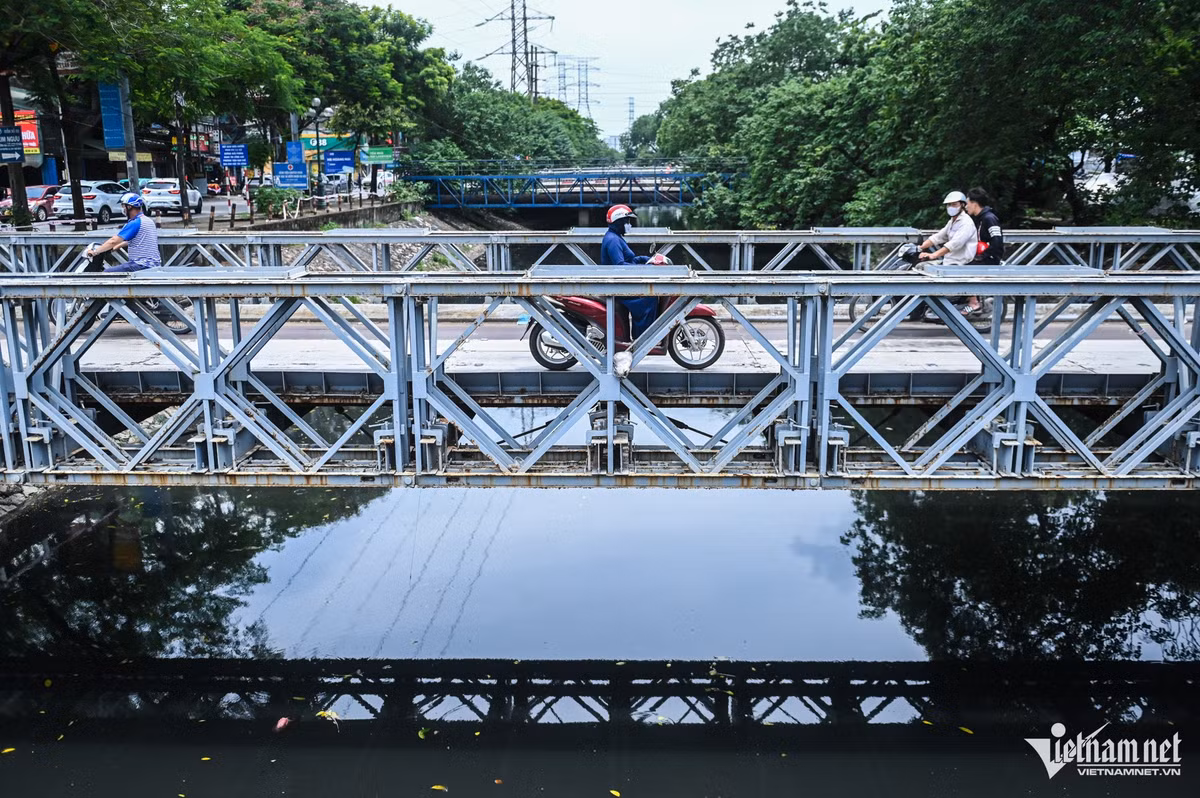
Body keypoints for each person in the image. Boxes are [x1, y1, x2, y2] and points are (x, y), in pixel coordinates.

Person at [601, 204, 667, 340]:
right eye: (627, 221)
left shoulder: (616, 236)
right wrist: (645, 268)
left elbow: (628, 260)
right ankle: (643, 338)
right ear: (618, 221)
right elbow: (620, 267)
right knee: (649, 297)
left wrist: (645, 260)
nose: (629, 224)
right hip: (618, 286)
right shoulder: (613, 240)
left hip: (621, 282)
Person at [916, 190, 979, 318]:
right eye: (949, 205)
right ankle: (932, 308)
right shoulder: (952, 221)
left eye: (954, 204)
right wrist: (921, 247)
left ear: (962, 205)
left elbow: (954, 244)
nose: (951, 207)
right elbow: (939, 237)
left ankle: (974, 303)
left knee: (936, 282)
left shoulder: (966, 222)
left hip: (962, 261)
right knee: (923, 268)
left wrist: (934, 255)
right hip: (951, 260)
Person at [83, 192, 160, 272]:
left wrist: (95, 251)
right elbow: (137, 240)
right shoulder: (148, 221)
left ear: (129, 207)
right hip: (153, 264)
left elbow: (113, 241)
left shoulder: (135, 223)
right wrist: (117, 246)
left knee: (106, 274)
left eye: (123, 206)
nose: (122, 208)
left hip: (140, 265)